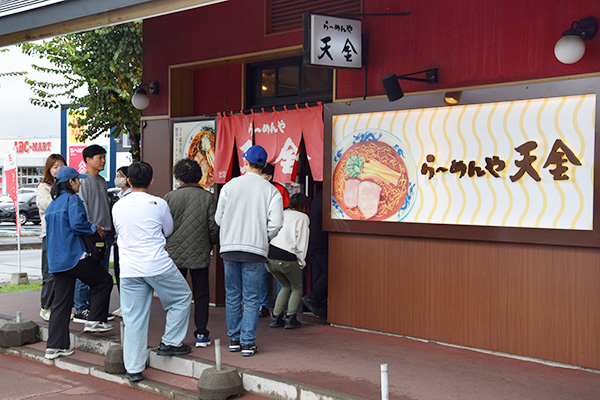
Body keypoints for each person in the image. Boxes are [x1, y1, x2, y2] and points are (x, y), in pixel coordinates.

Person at [112, 161, 192, 383]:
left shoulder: (118, 205)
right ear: (151, 180)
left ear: (128, 181)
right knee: (182, 297)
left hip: (129, 269)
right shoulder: (158, 203)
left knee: (134, 318)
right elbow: (169, 230)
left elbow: (120, 231)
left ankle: (134, 369)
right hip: (157, 265)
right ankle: (170, 342)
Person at [215, 145, 283, 357]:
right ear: (263, 166)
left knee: (233, 295)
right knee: (252, 298)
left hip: (229, 247)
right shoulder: (271, 191)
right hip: (255, 249)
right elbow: (277, 223)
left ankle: (234, 339)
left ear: (245, 162)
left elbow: (219, 218)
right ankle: (247, 343)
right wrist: (263, 237)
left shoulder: (229, 186)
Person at [44, 166, 113, 360]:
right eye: (77, 180)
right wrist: (94, 227)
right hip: (73, 257)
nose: (80, 183)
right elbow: (77, 225)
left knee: (61, 304)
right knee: (104, 281)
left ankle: (55, 346)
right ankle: (95, 320)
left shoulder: (52, 205)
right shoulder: (72, 200)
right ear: (71, 182)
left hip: (57, 261)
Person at [164, 158, 219, 348]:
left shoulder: (169, 197)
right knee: (201, 294)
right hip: (199, 253)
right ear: (199, 176)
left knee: (175, 295)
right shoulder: (207, 198)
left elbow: (164, 227)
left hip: (175, 253)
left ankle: (173, 335)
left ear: (179, 178)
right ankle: (201, 334)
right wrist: (210, 243)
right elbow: (213, 227)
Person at [73, 144, 115, 323]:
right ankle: (81, 308)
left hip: (105, 233)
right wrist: (91, 229)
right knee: (88, 272)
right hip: (92, 234)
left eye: (104, 157)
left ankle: (96, 310)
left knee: (102, 273)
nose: (103, 161)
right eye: (100, 158)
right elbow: (84, 208)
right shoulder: (83, 180)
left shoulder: (102, 181)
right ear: (88, 160)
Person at [266, 193, 310, 329]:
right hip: (288, 258)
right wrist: (301, 262)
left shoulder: (283, 213)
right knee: (297, 287)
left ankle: (276, 316)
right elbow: (302, 241)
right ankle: (291, 318)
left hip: (270, 257)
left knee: (285, 285)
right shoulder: (303, 217)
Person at [257, 163, 291, 318]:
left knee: (272, 273)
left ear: (268, 176)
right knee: (265, 272)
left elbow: (284, 215)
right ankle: (266, 305)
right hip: (268, 236)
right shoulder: (276, 189)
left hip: (274, 236)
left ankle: (275, 306)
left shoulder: (279, 190)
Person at [36, 153, 66, 322]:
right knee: (49, 273)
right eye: (55, 166)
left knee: (63, 273)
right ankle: (45, 307)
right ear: (49, 169)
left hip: (65, 234)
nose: (58, 169)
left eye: (61, 165)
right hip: (51, 234)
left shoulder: (67, 185)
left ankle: (59, 306)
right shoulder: (44, 186)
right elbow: (45, 204)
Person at [302, 189, 328, 319]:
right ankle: (314, 299)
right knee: (330, 272)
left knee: (318, 273)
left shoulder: (319, 195)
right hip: (321, 241)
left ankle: (320, 306)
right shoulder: (327, 195)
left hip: (313, 240)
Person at [109, 166, 131, 318]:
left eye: (121, 175)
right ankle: (123, 304)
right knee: (118, 272)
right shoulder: (119, 195)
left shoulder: (129, 197)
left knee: (125, 273)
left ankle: (127, 305)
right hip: (117, 241)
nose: (118, 178)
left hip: (126, 241)